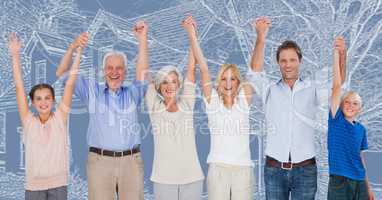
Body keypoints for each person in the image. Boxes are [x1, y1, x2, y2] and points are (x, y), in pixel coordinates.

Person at [247, 18, 347, 199]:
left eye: (292, 59)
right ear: (278, 63)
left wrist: (342, 56)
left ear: (300, 61)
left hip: (305, 171)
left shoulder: (313, 89)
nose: (288, 64)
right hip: (274, 170)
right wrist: (261, 37)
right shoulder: (269, 89)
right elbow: (254, 72)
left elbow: (337, 86)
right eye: (283, 60)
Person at [55, 21, 149, 200]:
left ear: (125, 72)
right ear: (104, 71)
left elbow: (143, 73)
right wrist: (73, 47)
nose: (114, 72)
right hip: (100, 162)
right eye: (110, 68)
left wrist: (142, 39)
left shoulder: (133, 94)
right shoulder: (91, 91)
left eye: (119, 68)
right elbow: (62, 72)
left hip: (131, 161)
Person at [183, 15, 256, 200]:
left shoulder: (244, 103)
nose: (228, 83)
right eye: (224, 78)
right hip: (218, 169)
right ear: (219, 82)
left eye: (232, 78)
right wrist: (192, 34)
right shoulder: (212, 101)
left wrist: (260, 37)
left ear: (238, 82)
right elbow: (204, 69)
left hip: (243, 170)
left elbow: (255, 70)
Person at [9, 32, 82, 200]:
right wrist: (15, 55)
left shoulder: (60, 118)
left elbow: (70, 83)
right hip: (34, 186)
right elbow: (19, 87)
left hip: (58, 184)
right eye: (39, 99)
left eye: (47, 98)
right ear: (33, 103)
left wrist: (78, 52)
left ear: (54, 100)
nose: (43, 102)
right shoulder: (28, 121)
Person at [145, 30, 204, 199]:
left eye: (173, 81)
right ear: (158, 87)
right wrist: (143, 39)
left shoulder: (187, 104)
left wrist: (192, 33)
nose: (169, 85)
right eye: (164, 81)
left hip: (193, 179)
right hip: (163, 180)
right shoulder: (154, 108)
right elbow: (144, 71)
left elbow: (191, 70)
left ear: (179, 85)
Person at [327, 37, 375, 200]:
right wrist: (337, 54)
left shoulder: (361, 129)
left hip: (360, 181)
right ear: (340, 105)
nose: (350, 105)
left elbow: (363, 159)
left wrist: (369, 188)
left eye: (355, 103)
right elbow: (337, 86)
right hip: (339, 181)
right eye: (346, 102)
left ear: (359, 109)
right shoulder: (335, 120)